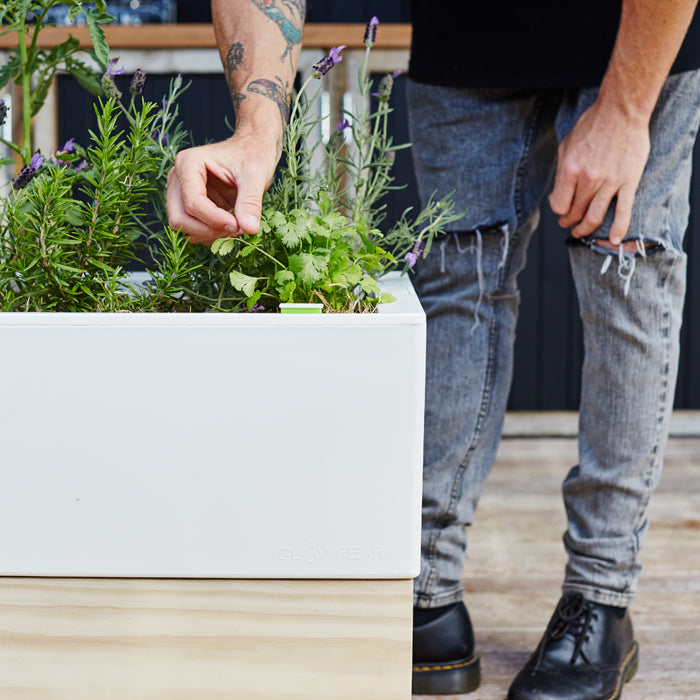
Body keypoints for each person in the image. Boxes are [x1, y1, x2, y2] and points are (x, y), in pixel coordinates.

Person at [167, 1, 700, 698]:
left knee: (625, 281)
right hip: (468, 43)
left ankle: (600, 599)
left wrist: (629, 111)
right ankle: (429, 594)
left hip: (634, 37)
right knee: (457, 290)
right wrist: (256, 127)